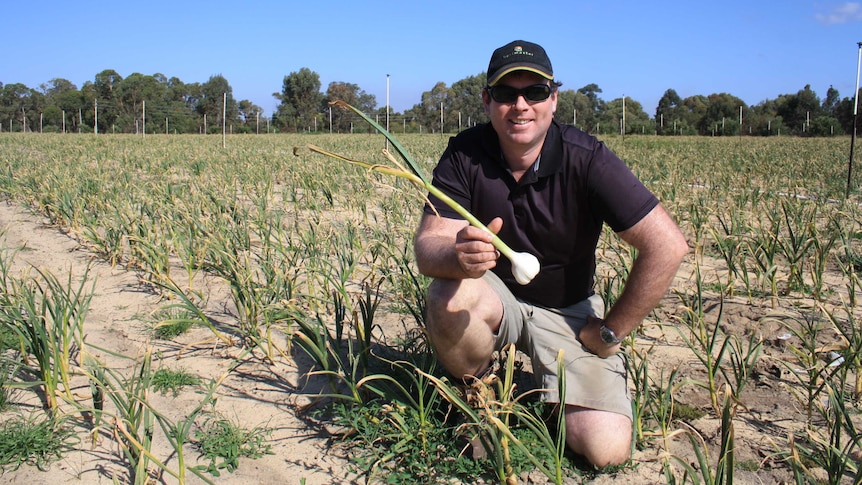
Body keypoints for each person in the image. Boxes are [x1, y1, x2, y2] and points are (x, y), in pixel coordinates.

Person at [413, 40, 688, 467]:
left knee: (606, 450)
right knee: (449, 296)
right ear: (487, 101)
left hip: (569, 311)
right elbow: (429, 246)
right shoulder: (464, 153)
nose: (520, 105)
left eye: (535, 92)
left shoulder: (587, 159)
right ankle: (479, 390)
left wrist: (610, 331)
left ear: (553, 99)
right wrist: (458, 257)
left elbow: (667, 246)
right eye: (506, 94)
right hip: (495, 299)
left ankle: (552, 389)